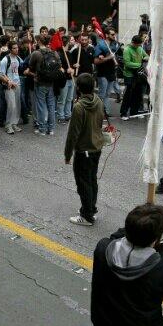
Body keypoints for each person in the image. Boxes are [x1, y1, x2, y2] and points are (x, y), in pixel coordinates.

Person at [64, 74, 104, 227]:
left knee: (83, 184)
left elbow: (73, 134)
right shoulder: (98, 101)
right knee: (92, 180)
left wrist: (68, 155)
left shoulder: (79, 107)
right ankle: (91, 209)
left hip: (84, 150)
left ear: (78, 88)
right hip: (96, 147)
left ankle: (87, 215)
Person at [29, 34, 62, 136]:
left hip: (40, 82)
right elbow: (59, 65)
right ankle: (51, 129)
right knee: (51, 106)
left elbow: (31, 67)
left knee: (41, 105)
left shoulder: (36, 53)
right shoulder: (54, 53)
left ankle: (42, 129)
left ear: (39, 41)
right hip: (51, 83)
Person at [120, 35, 149, 120]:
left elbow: (146, 56)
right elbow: (127, 63)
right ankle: (123, 113)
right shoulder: (127, 50)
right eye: (137, 45)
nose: (138, 46)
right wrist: (140, 64)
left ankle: (134, 112)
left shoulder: (139, 48)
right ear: (133, 42)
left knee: (138, 94)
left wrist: (145, 59)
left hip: (138, 75)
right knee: (128, 94)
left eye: (139, 45)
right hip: (129, 75)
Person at [94, 29, 120, 115]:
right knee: (102, 93)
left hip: (111, 72)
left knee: (108, 94)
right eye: (112, 34)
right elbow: (96, 61)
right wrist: (107, 58)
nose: (114, 36)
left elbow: (116, 56)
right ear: (107, 35)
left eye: (114, 34)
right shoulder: (100, 45)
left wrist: (115, 58)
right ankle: (98, 112)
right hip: (103, 72)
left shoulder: (114, 44)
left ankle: (105, 112)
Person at [0, 43, 23, 134]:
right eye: (14, 48)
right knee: (11, 105)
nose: (16, 49)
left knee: (17, 105)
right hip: (9, 86)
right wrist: (8, 81)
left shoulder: (18, 58)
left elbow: (23, 65)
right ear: (10, 49)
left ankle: (14, 124)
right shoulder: (5, 60)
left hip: (18, 84)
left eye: (17, 48)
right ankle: (8, 125)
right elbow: (0, 74)